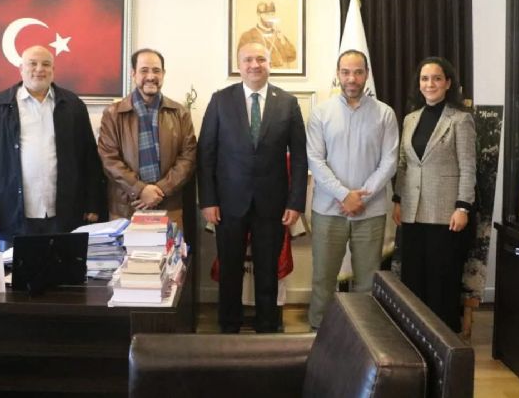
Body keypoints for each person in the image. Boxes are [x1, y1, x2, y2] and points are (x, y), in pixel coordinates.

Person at [198, 41, 307, 333]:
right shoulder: (220, 100)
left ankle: (268, 327)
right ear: (239, 65)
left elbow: (299, 158)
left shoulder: (287, 103)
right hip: (228, 204)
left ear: (270, 64)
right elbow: (206, 154)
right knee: (230, 269)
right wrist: (207, 200)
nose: (254, 65)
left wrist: (296, 202)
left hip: (272, 204)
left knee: (268, 270)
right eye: (247, 59)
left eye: (261, 59)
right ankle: (228, 327)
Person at [0, 45, 103, 251]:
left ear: (53, 70)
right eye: (32, 64)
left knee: (63, 270)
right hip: (11, 214)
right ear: (21, 69)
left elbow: (89, 159)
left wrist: (93, 204)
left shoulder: (73, 106)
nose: (39, 69)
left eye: (46, 64)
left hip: (65, 214)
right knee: (14, 271)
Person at [306, 50, 399, 329]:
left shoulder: (385, 114)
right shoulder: (321, 113)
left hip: (370, 212)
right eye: (346, 72)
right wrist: (344, 195)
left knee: (367, 281)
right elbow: (315, 160)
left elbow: (390, 161)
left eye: (358, 72)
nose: (351, 78)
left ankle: (364, 339)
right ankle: (318, 333)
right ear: (338, 74)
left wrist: (361, 197)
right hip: (328, 210)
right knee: (323, 279)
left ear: (366, 75)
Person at [392, 56, 476, 332]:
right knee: (413, 277)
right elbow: (403, 164)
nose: (430, 84)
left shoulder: (460, 120)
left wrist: (462, 207)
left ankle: (442, 338)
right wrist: (397, 200)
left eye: (437, 78)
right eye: (425, 79)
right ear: (419, 84)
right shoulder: (410, 119)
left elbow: (468, 166)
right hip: (412, 211)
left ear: (448, 83)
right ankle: (414, 333)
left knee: (441, 279)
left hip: (445, 213)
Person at [97, 49, 197, 227]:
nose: (151, 76)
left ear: (163, 74)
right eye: (144, 70)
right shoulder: (113, 114)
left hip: (169, 206)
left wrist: (160, 190)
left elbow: (188, 157)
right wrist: (140, 190)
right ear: (133, 74)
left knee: (169, 247)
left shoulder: (180, 113)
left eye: (156, 71)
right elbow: (109, 159)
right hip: (126, 208)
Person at [238, 1, 297, 69]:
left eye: (272, 14)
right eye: (267, 14)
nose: (270, 18)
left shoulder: (279, 35)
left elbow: (292, 57)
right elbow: (241, 63)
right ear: (259, 15)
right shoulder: (248, 36)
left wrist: (283, 42)